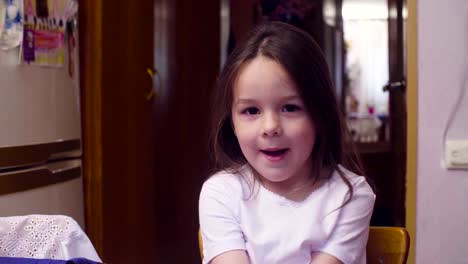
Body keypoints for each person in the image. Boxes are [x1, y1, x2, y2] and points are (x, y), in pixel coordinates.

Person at [199, 21, 376, 264]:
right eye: (251, 110)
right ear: (231, 122)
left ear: (319, 114)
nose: (270, 127)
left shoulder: (350, 196)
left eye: (290, 108)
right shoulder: (221, 194)